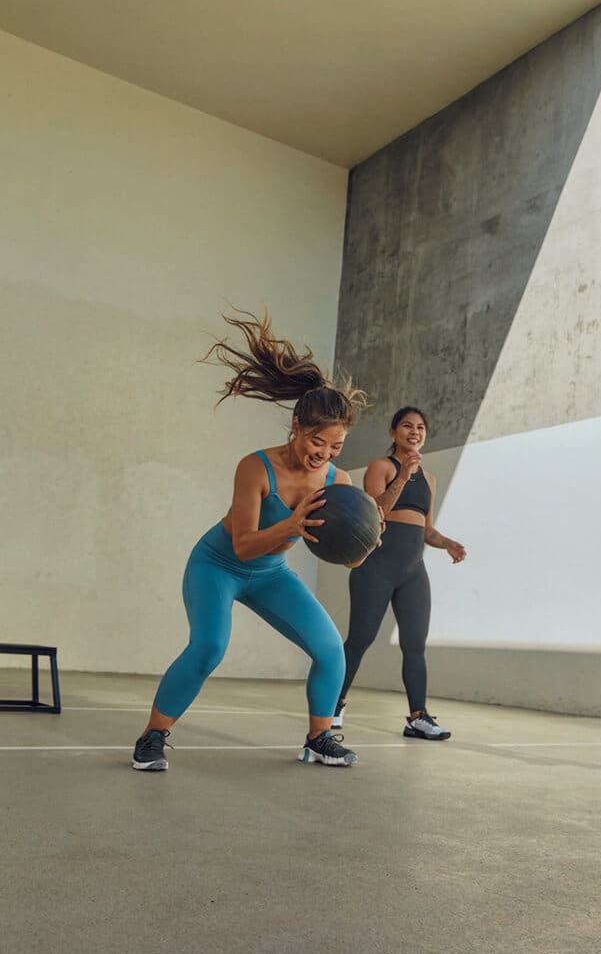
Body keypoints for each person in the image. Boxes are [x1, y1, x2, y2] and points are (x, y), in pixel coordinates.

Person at [132, 312, 370, 772]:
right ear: (297, 425)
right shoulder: (256, 467)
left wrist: (360, 546)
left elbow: (343, 552)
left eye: (335, 447)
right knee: (208, 647)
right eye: (317, 441)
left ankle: (319, 738)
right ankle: (152, 737)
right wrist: (294, 526)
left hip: (270, 574)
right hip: (218, 566)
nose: (324, 454)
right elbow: (243, 545)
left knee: (329, 649)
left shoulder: (338, 480)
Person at [334, 407, 466, 740]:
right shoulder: (382, 467)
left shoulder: (430, 480)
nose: (415, 432)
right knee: (360, 639)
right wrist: (404, 475)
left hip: (412, 572)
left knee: (415, 645)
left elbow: (427, 530)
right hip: (376, 568)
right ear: (393, 433)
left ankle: (418, 717)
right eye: (407, 426)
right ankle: (334, 703)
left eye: (421, 427)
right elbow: (375, 512)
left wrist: (447, 542)